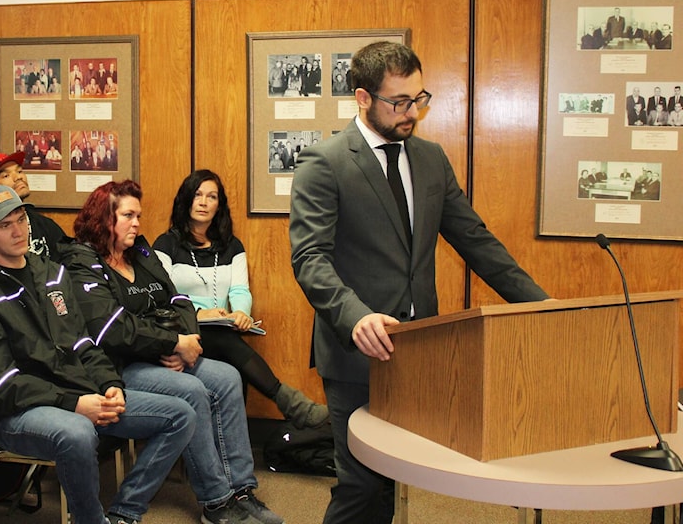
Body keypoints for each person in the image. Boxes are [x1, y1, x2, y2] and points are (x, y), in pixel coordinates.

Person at [289, 41, 548, 524]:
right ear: (363, 98)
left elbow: (477, 242)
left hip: (419, 348)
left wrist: (543, 305)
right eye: (399, 102)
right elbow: (310, 259)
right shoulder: (325, 163)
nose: (413, 113)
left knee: (389, 481)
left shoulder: (430, 160)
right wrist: (356, 315)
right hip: (356, 350)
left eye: (418, 98)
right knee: (360, 485)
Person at [0, 184, 194, 524]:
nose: (18, 230)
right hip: (15, 413)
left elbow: (83, 342)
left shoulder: (52, 272)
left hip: (77, 393)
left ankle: (125, 512)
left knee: (180, 415)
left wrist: (110, 385)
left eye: (21, 219)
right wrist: (74, 404)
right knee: (78, 433)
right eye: (5, 225)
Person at [63, 180, 284, 524]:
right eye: (127, 215)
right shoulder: (82, 262)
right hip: (118, 366)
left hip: (160, 354)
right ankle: (217, 501)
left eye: (138, 215)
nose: (137, 223)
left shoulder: (140, 251)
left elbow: (178, 300)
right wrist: (171, 343)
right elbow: (112, 329)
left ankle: (241, 489)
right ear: (102, 219)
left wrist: (185, 342)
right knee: (194, 391)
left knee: (227, 377)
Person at [153, 169, 329, 428]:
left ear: (219, 205)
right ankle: (289, 402)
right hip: (182, 328)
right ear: (186, 200)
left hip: (219, 330)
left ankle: (235, 444)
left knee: (229, 345)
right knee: (227, 342)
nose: (203, 202)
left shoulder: (231, 246)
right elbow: (164, 295)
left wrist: (241, 313)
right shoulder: (166, 245)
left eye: (211, 197)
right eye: (198, 195)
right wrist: (201, 313)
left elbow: (239, 290)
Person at [0, 151, 68, 263]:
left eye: (19, 171)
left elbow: (68, 262)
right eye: (6, 175)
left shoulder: (45, 225)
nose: (18, 177)